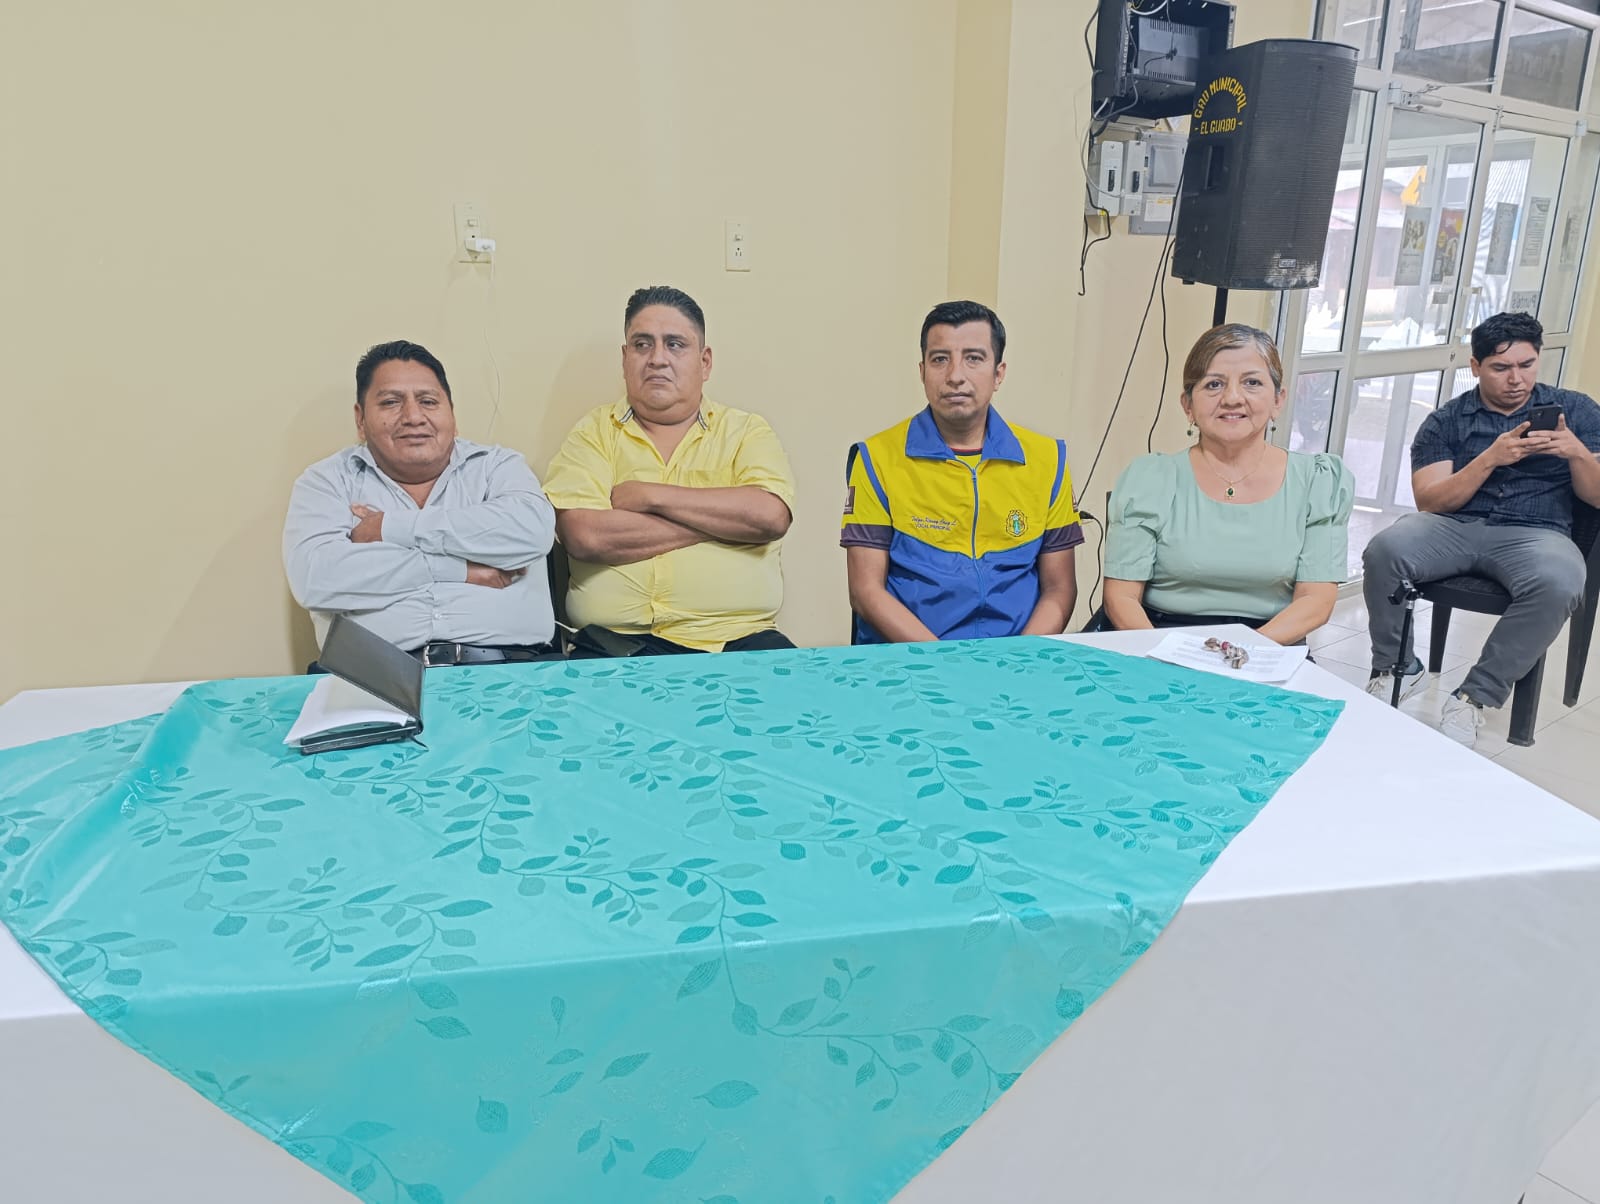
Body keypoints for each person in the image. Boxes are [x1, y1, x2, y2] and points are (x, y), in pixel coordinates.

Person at [1363, 311, 1600, 747]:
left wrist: (1577, 453)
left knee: (1562, 581)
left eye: (1526, 365)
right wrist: (1490, 458)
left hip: (1537, 533)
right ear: (1475, 367)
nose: (1516, 379)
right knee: (1385, 549)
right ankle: (1399, 667)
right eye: (1501, 367)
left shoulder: (1579, 412)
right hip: (1453, 526)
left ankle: (1475, 697)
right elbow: (1430, 501)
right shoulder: (1446, 420)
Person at [542, 286, 797, 656]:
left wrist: (650, 496)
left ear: (704, 362)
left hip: (740, 639)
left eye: (675, 344)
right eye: (642, 344)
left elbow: (769, 516)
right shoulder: (593, 433)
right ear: (625, 359)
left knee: (802, 691)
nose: (657, 359)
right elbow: (585, 535)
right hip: (613, 645)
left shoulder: (746, 432)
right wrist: (722, 525)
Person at [283, 340, 558, 665]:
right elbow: (316, 578)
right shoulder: (327, 482)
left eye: (428, 401)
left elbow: (532, 532)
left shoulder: (496, 467)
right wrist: (458, 569)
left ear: (452, 414)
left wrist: (388, 528)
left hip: (510, 670)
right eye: (390, 402)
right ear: (360, 419)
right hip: (371, 677)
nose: (413, 416)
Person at [841, 300, 1082, 642]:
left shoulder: (1048, 460)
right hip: (915, 658)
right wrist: (946, 662)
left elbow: (1059, 589)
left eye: (974, 358)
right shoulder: (877, 459)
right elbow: (866, 591)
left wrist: (1019, 656)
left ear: (998, 373)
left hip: (1018, 656)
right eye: (940, 359)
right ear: (922, 371)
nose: (955, 376)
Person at [1102, 324, 1354, 644]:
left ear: (1278, 400)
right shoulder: (1150, 478)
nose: (1232, 398)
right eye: (1214, 384)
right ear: (1188, 405)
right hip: (1158, 640)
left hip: (1272, 644)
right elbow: (1121, 597)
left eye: (1252, 383)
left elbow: (1316, 601)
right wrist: (1163, 656)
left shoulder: (1318, 482)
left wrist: (1243, 653)